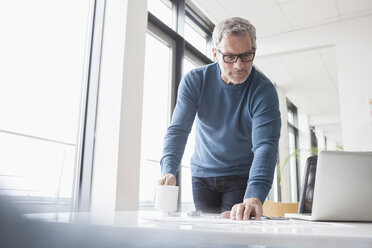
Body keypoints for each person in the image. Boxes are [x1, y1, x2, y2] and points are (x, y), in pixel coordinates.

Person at [158, 17, 281, 221]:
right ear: (215, 53)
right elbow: (178, 130)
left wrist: (253, 197)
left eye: (247, 55)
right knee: (207, 239)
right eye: (230, 57)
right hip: (202, 176)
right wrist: (168, 169)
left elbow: (265, 146)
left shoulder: (263, 91)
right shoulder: (195, 81)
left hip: (240, 176)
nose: (240, 65)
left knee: (232, 239)